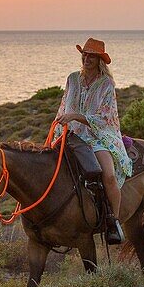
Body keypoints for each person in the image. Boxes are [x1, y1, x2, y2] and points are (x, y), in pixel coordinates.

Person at [53, 37, 132, 245]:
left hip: (99, 137)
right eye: (84, 54)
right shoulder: (72, 79)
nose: (86, 58)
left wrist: (76, 117)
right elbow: (64, 107)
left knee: (108, 175)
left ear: (99, 60)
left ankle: (114, 223)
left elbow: (106, 118)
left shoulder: (106, 84)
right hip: (72, 135)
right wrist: (58, 129)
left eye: (91, 56)